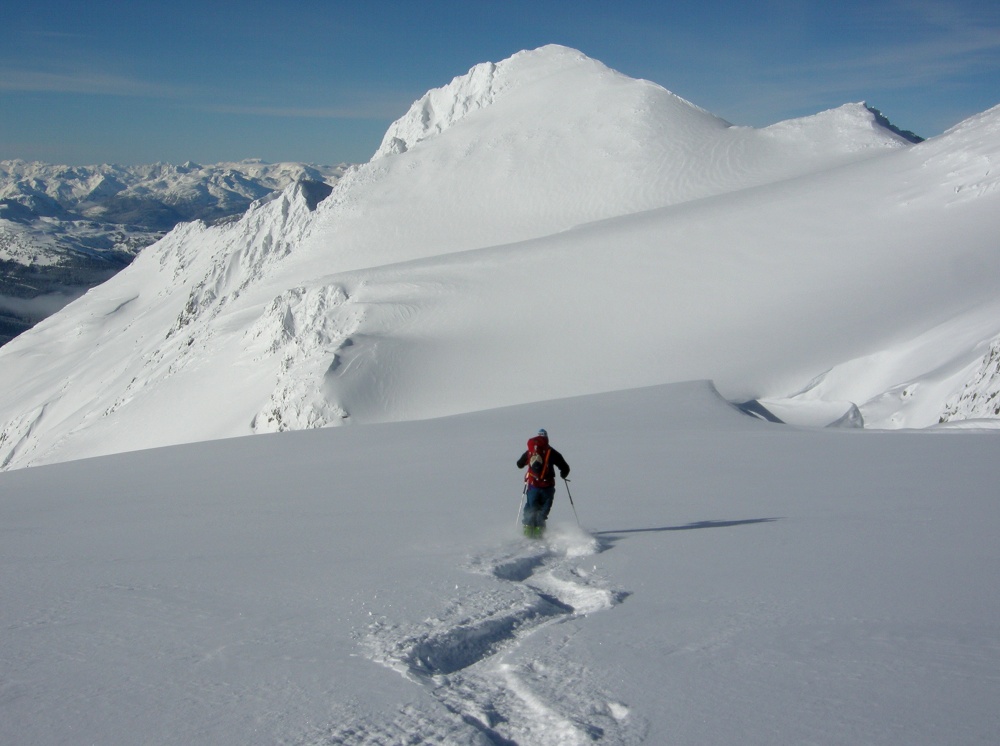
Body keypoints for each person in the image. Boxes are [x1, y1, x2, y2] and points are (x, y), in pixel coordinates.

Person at [516, 428, 570, 538]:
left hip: (533, 485)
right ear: (547, 438)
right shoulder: (551, 452)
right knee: (543, 510)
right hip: (547, 486)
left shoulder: (530, 452)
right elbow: (565, 468)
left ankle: (527, 532)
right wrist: (563, 475)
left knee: (531, 508)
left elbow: (519, 464)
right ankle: (539, 533)